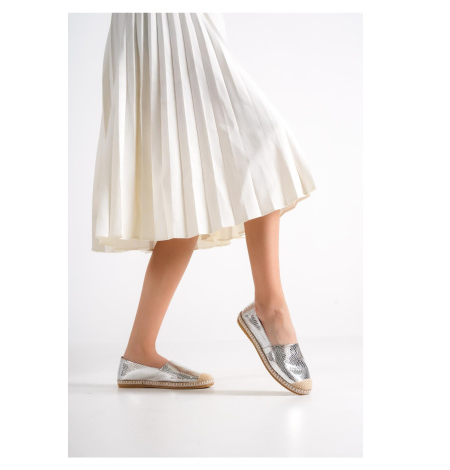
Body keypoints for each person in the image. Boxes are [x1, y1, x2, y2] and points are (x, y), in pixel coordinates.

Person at [92, 13, 317, 395]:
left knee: (186, 187)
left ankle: (139, 352)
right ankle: (270, 307)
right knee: (256, 144)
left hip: (188, 21)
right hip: (162, 24)